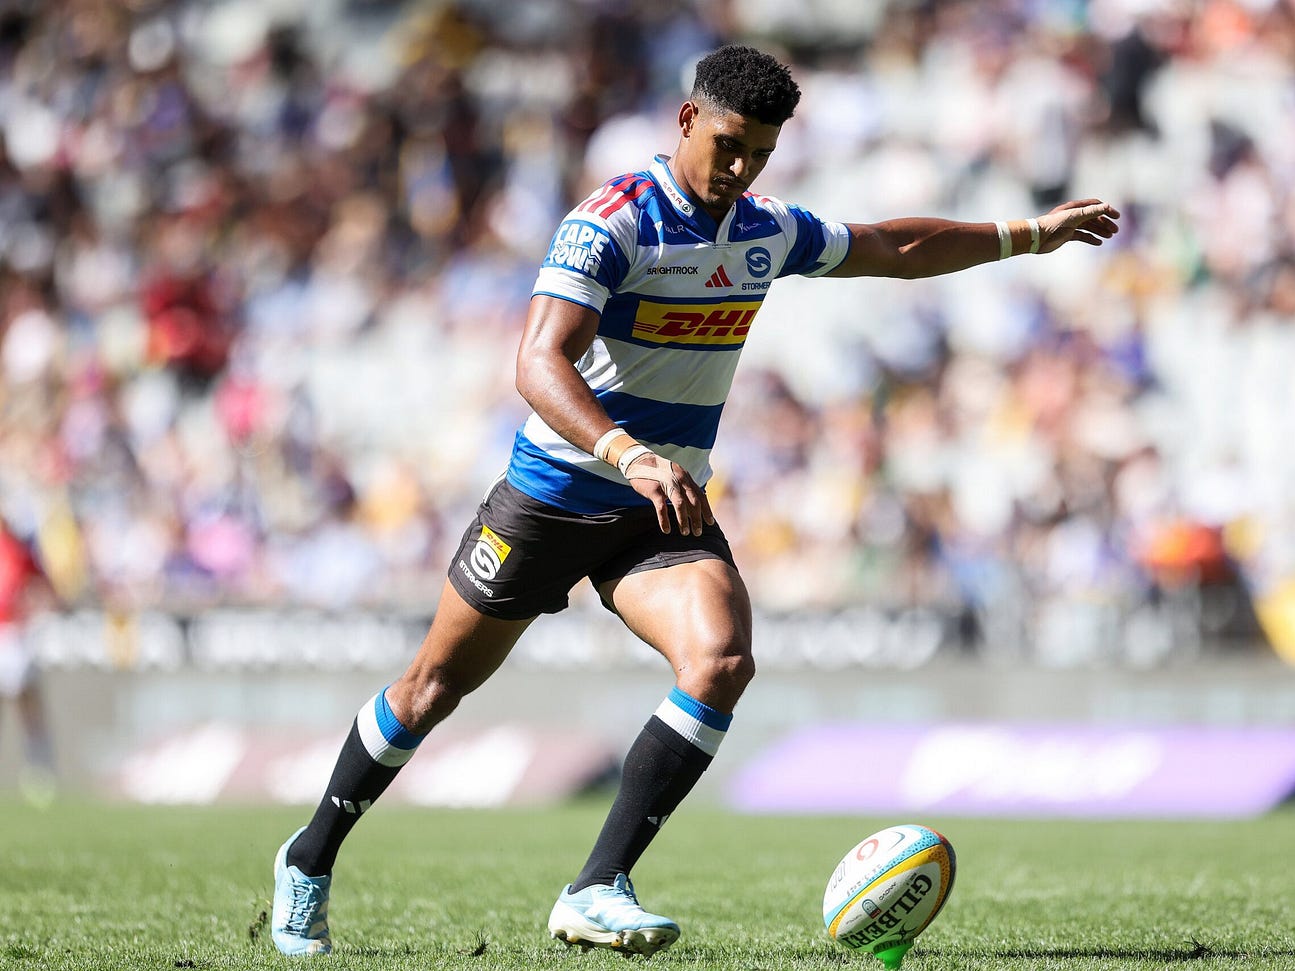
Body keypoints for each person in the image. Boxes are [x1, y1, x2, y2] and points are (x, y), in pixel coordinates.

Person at [270, 44, 1119, 958]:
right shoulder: (611, 222)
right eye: (728, 145)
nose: (741, 168)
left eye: (760, 152)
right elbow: (538, 361)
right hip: (554, 496)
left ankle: (597, 885)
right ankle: (308, 857)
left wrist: (1028, 234)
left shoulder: (766, 229)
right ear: (686, 120)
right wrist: (628, 453)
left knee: (720, 660)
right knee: (431, 688)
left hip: (660, 508)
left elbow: (892, 247)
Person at [0, 519, 57, 809]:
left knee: (27, 703)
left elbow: (43, 585)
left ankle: (39, 770)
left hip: (14, 634)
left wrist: (37, 611)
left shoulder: (17, 550)